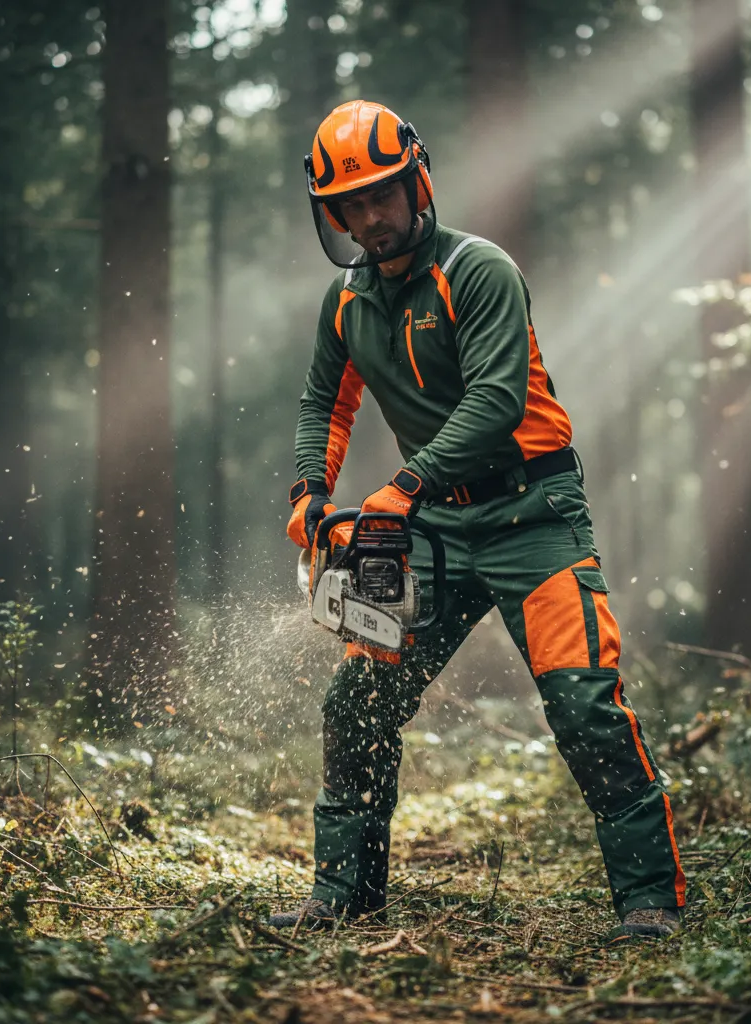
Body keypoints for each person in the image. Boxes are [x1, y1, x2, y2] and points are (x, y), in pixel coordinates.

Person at [273, 100, 685, 941]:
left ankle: (650, 902)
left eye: (383, 195)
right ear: (333, 215)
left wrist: (404, 484)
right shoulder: (348, 302)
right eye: (351, 205)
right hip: (433, 526)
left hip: (531, 512)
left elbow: (496, 403)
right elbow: (325, 398)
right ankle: (345, 892)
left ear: (416, 183)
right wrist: (309, 493)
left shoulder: (478, 270)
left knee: (582, 703)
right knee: (359, 699)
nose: (371, 217)